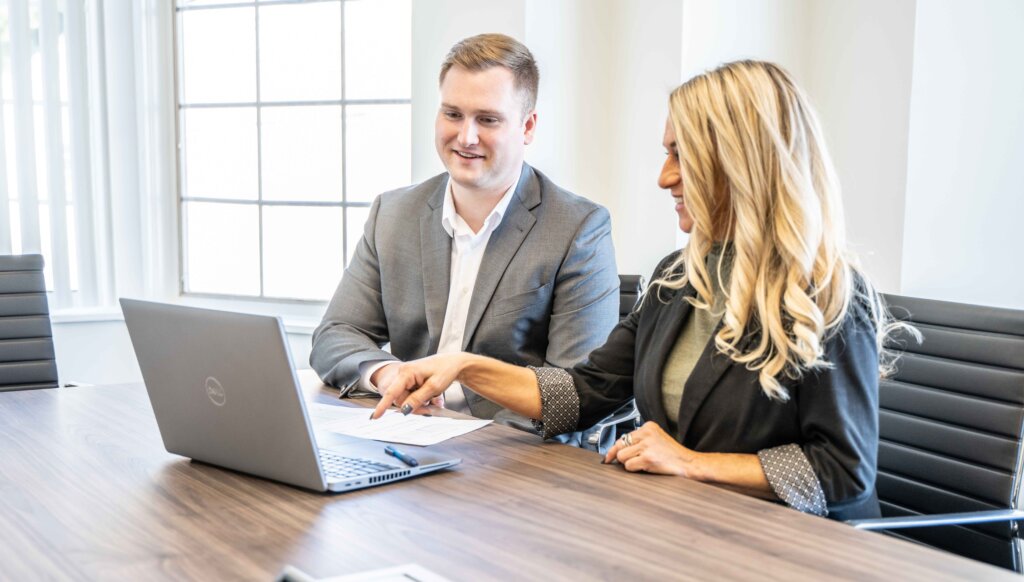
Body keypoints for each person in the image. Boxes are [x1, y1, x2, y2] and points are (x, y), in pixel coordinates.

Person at [370, 60, 907, 520]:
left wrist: (691, 463)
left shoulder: (828, 296)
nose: (664, 177)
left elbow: (841, 472)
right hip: (687, 526)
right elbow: (582, 395)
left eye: (681, 155)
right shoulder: (678, 278)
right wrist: (463, 365)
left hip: (795, 551)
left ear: (738, 163)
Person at [310, 34, 619, 423]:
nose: (466, 137)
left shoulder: (579, 228)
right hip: (406, 432)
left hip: (508, 453)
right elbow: (334, 334)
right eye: (452, 114)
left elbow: (575, 392)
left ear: (527, 127)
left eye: (487, 119)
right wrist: (388, 374)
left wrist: (477, 441)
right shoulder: (392, 213)